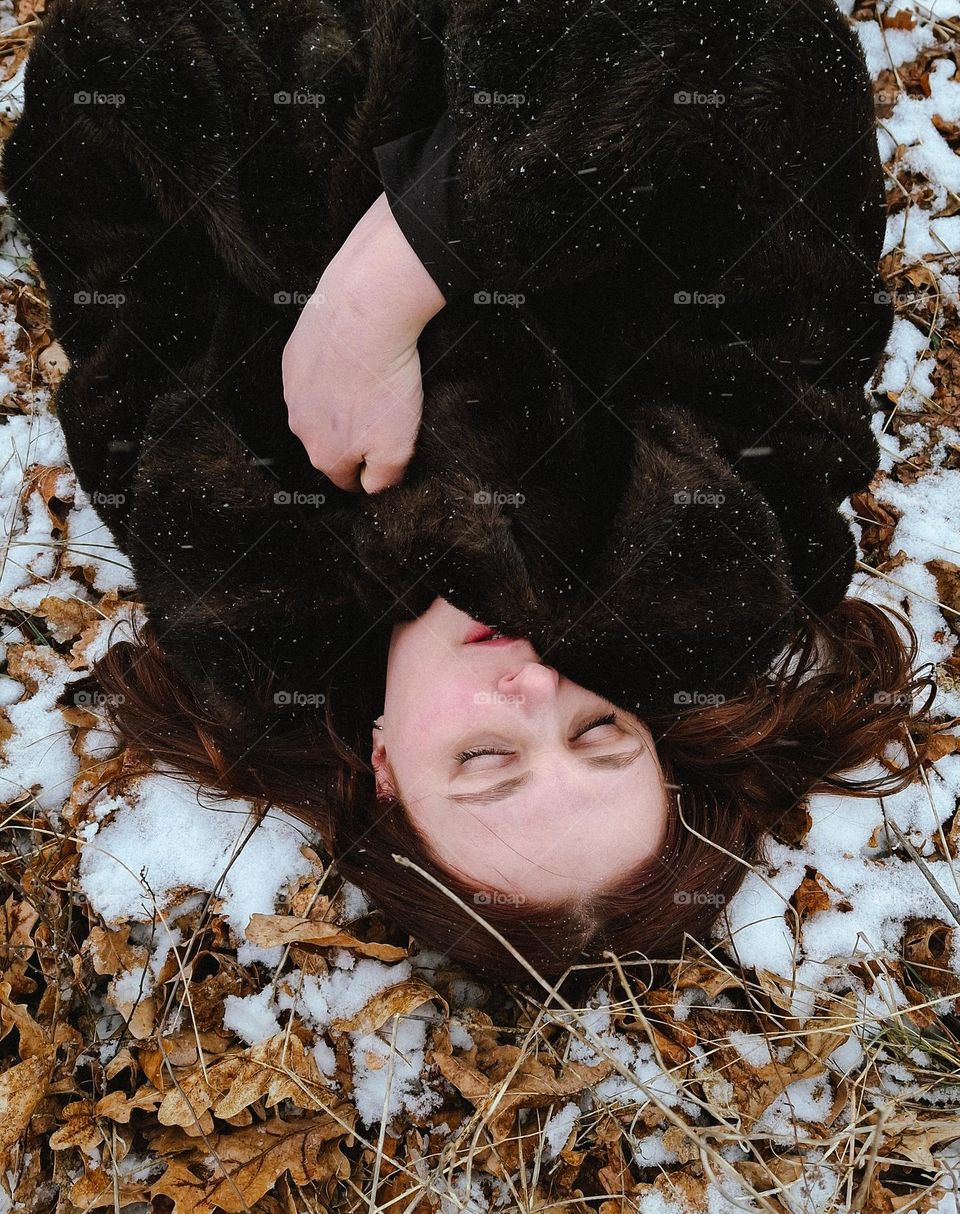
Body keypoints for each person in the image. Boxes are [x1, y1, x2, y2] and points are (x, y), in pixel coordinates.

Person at [0, 0, 942, 985]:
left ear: (386, 769)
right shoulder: (735, 501)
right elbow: (757, 50)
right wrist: (397, 272)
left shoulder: (216, 536)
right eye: (600, 732)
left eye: (485, 759)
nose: (534, 693)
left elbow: (95, 96)